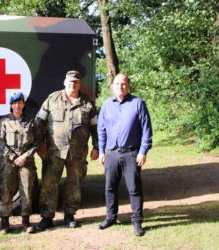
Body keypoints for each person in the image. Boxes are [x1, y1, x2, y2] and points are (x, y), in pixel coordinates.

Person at [35, 70, 99, 231]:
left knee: (74, 184)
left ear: (80, 84)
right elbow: (38, 122)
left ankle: (69, 214)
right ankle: (47, 217)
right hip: (54, 151)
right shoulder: (52, 99)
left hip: (78, 153)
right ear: (65, 82)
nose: (73, 84)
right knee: (49, 184)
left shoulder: (88, 103)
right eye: (70, 81)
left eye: (76, 81)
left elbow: (96, 127)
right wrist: (39, 143)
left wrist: (97, 146)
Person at [97, 73, 153, 236]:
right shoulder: (106, 105)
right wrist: (101, 151)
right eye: (117, 84)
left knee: (134, 188)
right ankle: (111, 217)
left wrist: (143, 151)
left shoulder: (138, 103)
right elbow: (101, 129)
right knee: (110, 188)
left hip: (131, 154)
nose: (120, 87)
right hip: (111, 154)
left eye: (123, 84)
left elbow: (146, 130)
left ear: (128, 86)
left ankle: (137, 221)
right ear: (112, 86)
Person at [0, 92, 40, 234]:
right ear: (11, 105)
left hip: (26, 162)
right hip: (8, 162)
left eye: (20, 103)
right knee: (7, 192)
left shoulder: (31, 122)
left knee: (27, 191)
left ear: (24, 104)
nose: (17, 105)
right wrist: (13, 157)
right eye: (15, 103)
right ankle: (5, 223)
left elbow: (36, 142)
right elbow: (1, 142)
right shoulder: (4, 122)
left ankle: (26, 222)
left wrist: (25, 156)